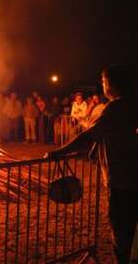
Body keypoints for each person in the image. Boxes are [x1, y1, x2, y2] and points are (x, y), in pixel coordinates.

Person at [46, 65, 138, 264]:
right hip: (131, 176)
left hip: (121, 179)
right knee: (130, 229)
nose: (103, 85)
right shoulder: (132, 105)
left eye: (104, 82)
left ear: (112, 84)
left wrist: (60, 152)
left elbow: (89, 136)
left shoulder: (115, 108)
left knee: (121, 229)